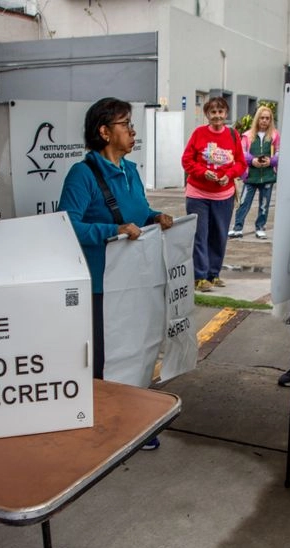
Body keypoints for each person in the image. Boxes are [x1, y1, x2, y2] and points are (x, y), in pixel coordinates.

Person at [58, 97, 174, 448]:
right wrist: (111, 231)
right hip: (100, 284)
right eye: (126, 124)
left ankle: (131, 420)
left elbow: (136, 211)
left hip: (133, 281)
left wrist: (154, 217)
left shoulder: (130, 170)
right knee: (105, 358)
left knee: (134, 351)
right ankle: (106, 426)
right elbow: (65, 225)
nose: (133, 131)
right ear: (104, 132)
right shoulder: (83, 174)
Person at [182, 97, 245, 292]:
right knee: (200, 235)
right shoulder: (199, 134)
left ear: (226, 114)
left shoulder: (233, 135)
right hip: (198, 194)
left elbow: (241, 164)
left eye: (220, 112)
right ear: (207, 115)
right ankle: (200, 277)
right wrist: (202, 172)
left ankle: (213, 273)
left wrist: (229, 175)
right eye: (213, 112)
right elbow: (186, 160)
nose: (217, 116)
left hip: (223, 195)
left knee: (219, 236)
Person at [229, 105, 278, 240]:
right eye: (262, 118)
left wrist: (271, 161)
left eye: (267, 118)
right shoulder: (247, 135)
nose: (264, 121)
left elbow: (279, 152)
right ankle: (237, 227)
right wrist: (253, 160)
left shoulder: (274, 136)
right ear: (257, 119)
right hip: (251, 176)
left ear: (270, 120)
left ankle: (260, 228)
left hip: (267, 176)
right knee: (244, 202)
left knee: (264, 204)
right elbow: (242, 152)